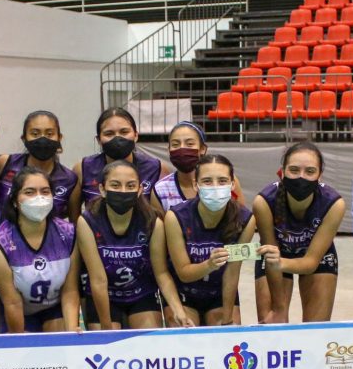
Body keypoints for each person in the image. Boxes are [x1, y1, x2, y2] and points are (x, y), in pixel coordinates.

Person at [0, 110, 80, 332]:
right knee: (2, 331)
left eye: (49, 133)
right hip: (7, 255)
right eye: (35, 133)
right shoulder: (4, 164)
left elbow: (74, 216)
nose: (42, 139)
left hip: (51, 255)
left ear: (59, 137)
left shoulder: (69, 179)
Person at [77, 160, 192, 329]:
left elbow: (161, 273)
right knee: (107, 338)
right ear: (102, 189)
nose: (123, 191)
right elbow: (98, 280)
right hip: (104, 294)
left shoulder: (153, 222)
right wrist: (106, 327)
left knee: (148, 338)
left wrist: (178, 310)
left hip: (141, 293)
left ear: (139, 190)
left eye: (130, 186)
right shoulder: (87, 221)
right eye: (115, 185)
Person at [254, 141, 345, 323]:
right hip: (275, 257)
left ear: (320, 176)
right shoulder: (263, 202)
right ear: (282, 172)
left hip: (315, 256)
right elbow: (271, 259)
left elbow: (310, 263)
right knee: (272, 327)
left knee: (316, 330)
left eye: (310, 171)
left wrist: (281, 263)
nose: (301, 177)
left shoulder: (334, 204)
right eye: (294, 170)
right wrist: (279, 308)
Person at [164, 154, 257, 326]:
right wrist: (209, 265)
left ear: (232, 184)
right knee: (185, 332)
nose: (215, 187)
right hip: (184, 291)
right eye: (207, 181)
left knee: (228, 334)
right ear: (196, 185)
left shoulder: (246, 220)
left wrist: (227, 319)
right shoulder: (175, 217)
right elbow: (183, 273)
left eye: (222, 181)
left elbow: (232, 271)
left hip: (219, 293)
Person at [74, 107, 169, 207]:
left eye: (124, 132)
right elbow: (74, 214)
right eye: (109, 133)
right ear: (99, 140)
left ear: (136, 135)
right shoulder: (82, 169)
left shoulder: (157, 169)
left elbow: (161, 212)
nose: (117, 138)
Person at [151, 120, 246, 215]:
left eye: (190, 144)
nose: (182, 149)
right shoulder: (160, 190)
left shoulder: (224, 181)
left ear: (203, 149)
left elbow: (241, 217)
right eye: (175, 145)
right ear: (169, 150)